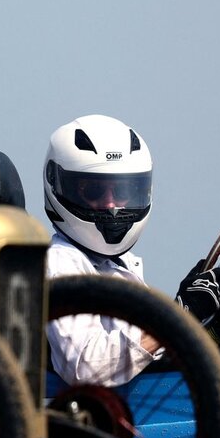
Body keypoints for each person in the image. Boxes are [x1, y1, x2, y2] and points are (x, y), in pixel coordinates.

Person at [42, 114, 160, 386]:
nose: (112, 206)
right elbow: (86, 366)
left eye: (122, 191)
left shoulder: (118, 263)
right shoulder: (61, 263)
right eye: (93, 191)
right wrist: (177, 322)